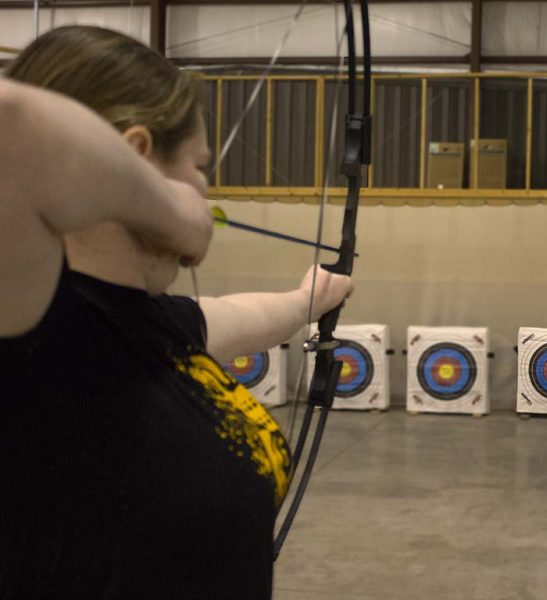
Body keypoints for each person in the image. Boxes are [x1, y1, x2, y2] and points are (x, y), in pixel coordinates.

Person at [0, 25, 351, 599]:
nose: (203, 192)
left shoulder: (152, 326)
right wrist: (176, 212)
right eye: (199, 168)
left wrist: (311, 297)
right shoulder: (30, 326)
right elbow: (12, 125)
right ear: (137, 155)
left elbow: (240, 315)